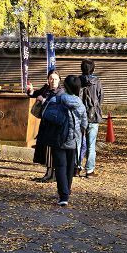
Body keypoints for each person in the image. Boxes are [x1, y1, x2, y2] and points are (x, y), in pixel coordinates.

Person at [41, 75, 87, 206]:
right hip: (74, 139)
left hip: (58, 137)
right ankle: (67, 191)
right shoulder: (80, 104)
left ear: (65, 87)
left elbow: (46, 114)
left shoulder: (57, 99)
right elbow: (84, 124)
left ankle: (63, 195)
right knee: (69, 166)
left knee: (60, 166)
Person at [27, 70, 64, 182]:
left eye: (56, 79)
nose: (53, 81)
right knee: (45, 149)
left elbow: (56, 106)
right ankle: (48, 173)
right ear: (48, 80)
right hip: (45, 123)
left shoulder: (61, 92)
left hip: (54, 125)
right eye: (51, 79)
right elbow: (35, 94)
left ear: (59, 80)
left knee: (51, 150)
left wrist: (43, 101)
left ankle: (52, 174)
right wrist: (31, 91)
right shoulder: (46, 89)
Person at [79, 59, 104, 178]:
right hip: (93, 116)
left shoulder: (78, 81)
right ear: (93, 69)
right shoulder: (97, 81)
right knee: (91, 145)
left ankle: (76, 168)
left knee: (78, 142)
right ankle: (89, 170)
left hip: (79, 116)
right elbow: (100, 98)